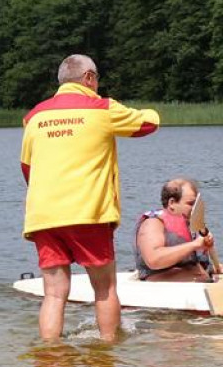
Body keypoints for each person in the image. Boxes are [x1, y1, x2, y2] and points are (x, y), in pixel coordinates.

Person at [20, 54, 160, 342]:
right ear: (89, 78)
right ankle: (107, 353)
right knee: (105, 288)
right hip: (88, 213)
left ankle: (51, 357)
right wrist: (152, 110)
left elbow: (27, 169)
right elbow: (147, 124)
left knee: (54, 294)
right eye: (96, 79)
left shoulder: (34, 116)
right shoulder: (102, 108)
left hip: (44, 216)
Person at [135, 178, 214, 281]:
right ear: (172, 203)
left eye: (196, 204)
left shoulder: (191, 225)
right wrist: (195, 244)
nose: (194, 209)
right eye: (190, 204)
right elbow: (153, 259)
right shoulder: (152, 223)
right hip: (164, 287)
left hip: (197, 281)